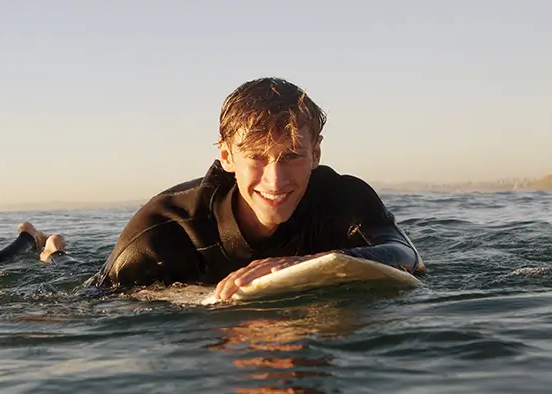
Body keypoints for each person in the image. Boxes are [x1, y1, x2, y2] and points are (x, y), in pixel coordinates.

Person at [86, 77, 425, 301]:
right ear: (226, 156)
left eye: (291, 156)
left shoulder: (343, 200)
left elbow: (407, 256)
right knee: (59, 260)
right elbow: (87, 310)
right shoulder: (163, 232)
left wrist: (314, 264)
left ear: (316, 153)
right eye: (257, 158)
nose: (275, 180)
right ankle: (47, 248)